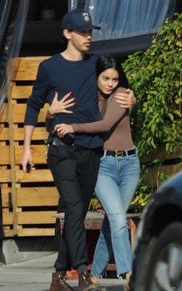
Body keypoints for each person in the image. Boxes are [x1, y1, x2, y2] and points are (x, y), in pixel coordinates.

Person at [21, 9, 135, 291]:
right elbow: (33, 105)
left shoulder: (95, 63)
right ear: (66, 34)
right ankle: (83, 274)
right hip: (62, 149)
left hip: (92, 151)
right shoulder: (49, 67)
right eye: (82, 32)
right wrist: (27, 146)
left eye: (90, 32)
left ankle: (58, 275)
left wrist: (131, 96)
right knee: (73, 207)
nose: (88, 37)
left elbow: (118, 81)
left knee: (76, 213)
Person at [54, 56, 140, 288]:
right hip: (103, 166)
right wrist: (50, 113)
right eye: (105, 78)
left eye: (114, 78)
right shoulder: (87, 97)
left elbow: (105, 125)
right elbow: (59, 116)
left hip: (130, 165)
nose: (111, 83)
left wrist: (75, 126)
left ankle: (94, 276)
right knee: (117, 218)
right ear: (95, 77)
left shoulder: (122, 94)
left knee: (113, 222)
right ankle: (128, 274)